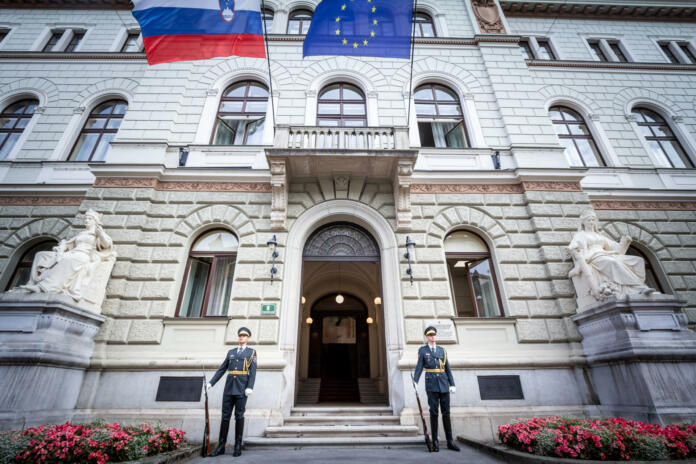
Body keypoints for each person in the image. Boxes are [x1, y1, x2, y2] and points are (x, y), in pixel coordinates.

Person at [13, 209, 114, 300]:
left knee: (69, 259)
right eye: (86, 219)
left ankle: (45, 287)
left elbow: (106, 245)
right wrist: (62, 247)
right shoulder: (82, 233)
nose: (86, 221)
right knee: (41, 255)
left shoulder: (98, 233)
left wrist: (100, 234)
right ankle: (32, 282)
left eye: (90, 219)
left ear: (95, 221)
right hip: (72, 253)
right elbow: (69, 243)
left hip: (83, 256)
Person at [207, 327, 257, 457]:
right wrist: (211, 383)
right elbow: (222, 369)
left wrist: (250, 387)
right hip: (229, 389)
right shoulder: (231, 352)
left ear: (248, 338)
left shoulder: (251, 353)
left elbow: (253, 372)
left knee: (239, 416)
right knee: (225, 417)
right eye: (240, 335)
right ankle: (221, 446)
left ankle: (237, 445)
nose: (241, 337)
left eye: (244, 336)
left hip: (242, 388)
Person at [413, 326, 460, 452]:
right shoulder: (423, 351)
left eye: (434, 335)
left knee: (446, 413)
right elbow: (419, 367)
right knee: (434, 413)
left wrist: (452, 384)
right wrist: (415, 381)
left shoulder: (442, 350)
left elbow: (447, 368)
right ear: (427, 337)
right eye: (430, 335)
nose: (432, 337)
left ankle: (450, 441)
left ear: (436, 336)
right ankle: (435, 441)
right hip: (432, 385)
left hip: (444, 384)